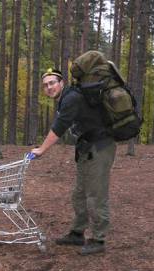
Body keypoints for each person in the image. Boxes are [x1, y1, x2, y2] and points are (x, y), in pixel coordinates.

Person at [31, 68, 116, 255]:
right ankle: (77, 233)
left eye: (52, 83)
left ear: (62, 83)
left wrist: (42, 149)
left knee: (96, 194)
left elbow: (59, 126)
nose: (49, 87)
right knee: (79, 193)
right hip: (87, 148)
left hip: (100, 147)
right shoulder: (67, 99)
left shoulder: (71, 98)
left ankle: (98, 239)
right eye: (45, 85)